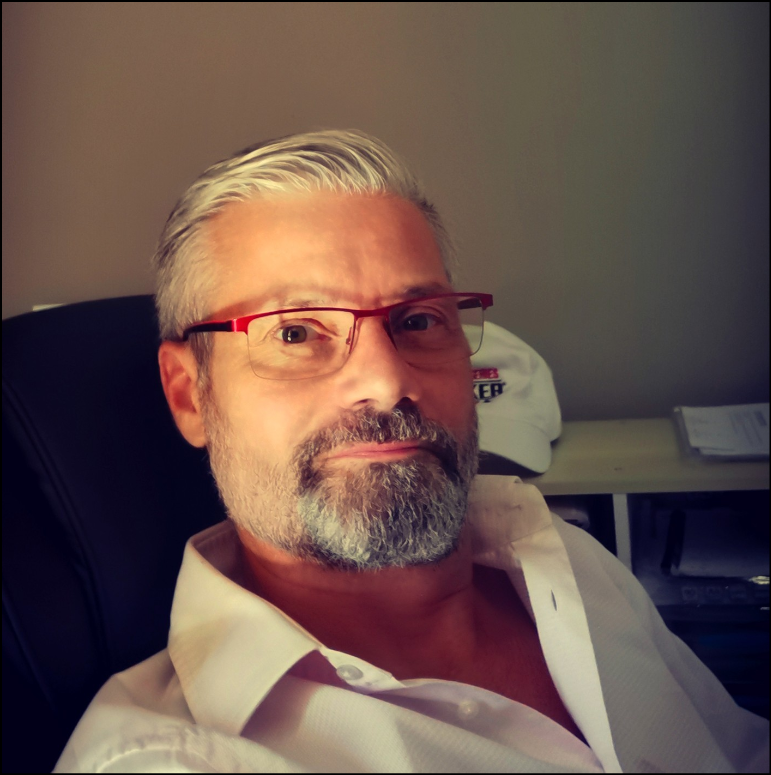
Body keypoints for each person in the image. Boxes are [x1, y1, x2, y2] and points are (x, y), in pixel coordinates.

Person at [54, 130, 768, 773]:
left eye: (418, 319)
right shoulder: (166, 760)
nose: (387, 380)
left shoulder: (562, 559)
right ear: (190, 396)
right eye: (295, 333)